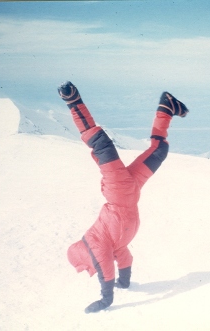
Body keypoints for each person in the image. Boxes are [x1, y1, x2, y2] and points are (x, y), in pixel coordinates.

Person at [57, 81, 189, 313]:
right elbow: (124, 258)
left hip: (119, 191)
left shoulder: (96, 246)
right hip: (132, 190)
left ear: (85, 257)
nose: (94, 267)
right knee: (159, 151)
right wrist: (125, 281)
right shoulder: (112, 245)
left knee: (101, 144)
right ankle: (166, 107)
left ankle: (73, 101)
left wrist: (106, 299)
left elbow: (106, 269)